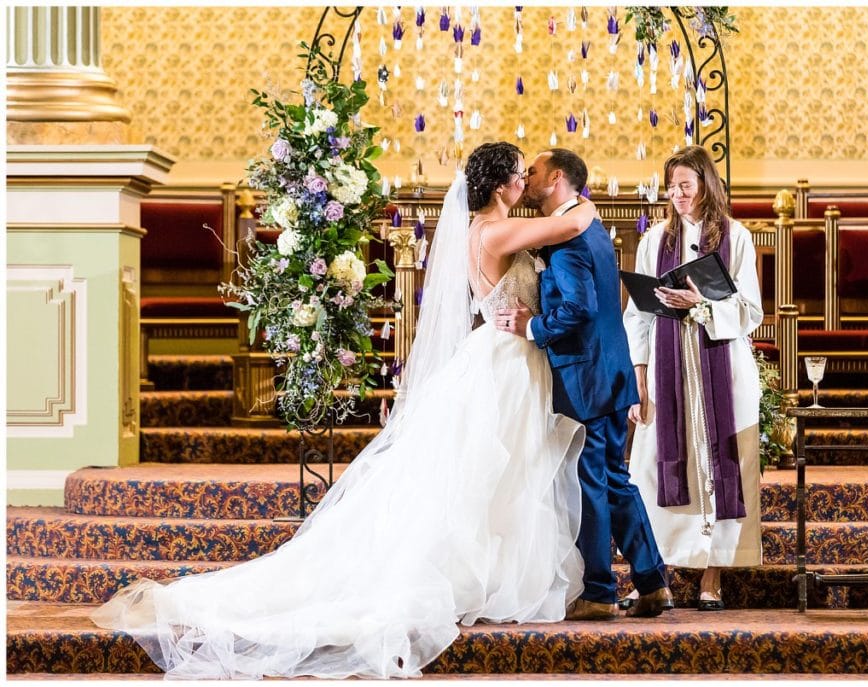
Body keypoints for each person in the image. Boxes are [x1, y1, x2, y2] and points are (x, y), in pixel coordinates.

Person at [91, 142, 606, 679]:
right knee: (491, 472)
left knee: (503, 475)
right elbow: (567, 228)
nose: (526, 182)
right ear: (501, 185)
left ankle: (497, 572)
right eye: (520, 175)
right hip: (505, 363)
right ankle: (474, 575)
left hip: (510, 357)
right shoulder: (493, 231)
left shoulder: (486, 228)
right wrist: (581, 201)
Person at [496, 148, 671, 620]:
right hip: (607, 372)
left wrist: (532, 327)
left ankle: (599, 592)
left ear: (555, 179)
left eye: (532, 172)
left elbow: (578, 307)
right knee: (614, 479)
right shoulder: (584, 226)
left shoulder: (568, 239)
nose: (526, 178)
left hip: (587, 377)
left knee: (591, 481)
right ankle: (652, 582)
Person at [621, 145, 763, 612]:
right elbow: (637, 315)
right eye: (672, 187)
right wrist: (637, 377)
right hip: (666, 369)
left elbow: (751, 311)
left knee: (719, 466)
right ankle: (653, 574)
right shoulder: (653, 241)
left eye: (686, 185)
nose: (677, 194)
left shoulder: (736, 237)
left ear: (706, 185)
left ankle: (712, 575)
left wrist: (700, 307)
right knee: (651, 468)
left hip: (720, 363)